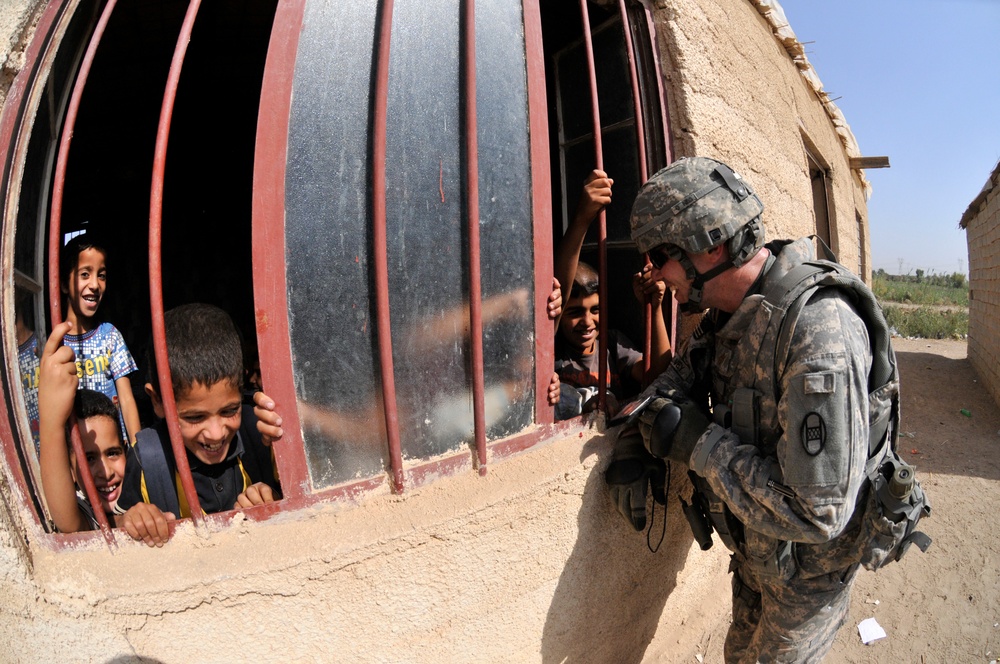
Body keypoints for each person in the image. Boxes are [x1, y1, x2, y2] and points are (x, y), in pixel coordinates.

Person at [608, 156, 878, 662]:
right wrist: (633, 441)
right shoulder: (728, 316)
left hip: (808, 577)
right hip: (758, 555)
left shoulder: (819, 331)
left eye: (661, 256)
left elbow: (819, 512)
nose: (657, 275)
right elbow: (673, 383)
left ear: (709, 245)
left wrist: (697, 443)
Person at [113, 303, 282, 547]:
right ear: (157, 401)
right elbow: (117, 523)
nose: (215, 433)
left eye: (229, 410)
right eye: (194, 417)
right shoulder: (148, 458)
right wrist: (134, 520)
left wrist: (275, 502)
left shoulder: (259, 433)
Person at [552, 169, 670, 418]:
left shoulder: (611, 344)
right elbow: (559, 288)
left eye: (595, 310)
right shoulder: (554, 353)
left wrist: (655, 308)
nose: (587, 322)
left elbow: (657, 377)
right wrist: (582, 218)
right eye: (574, 312)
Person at [37, 321, 126, 532]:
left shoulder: (141, 490)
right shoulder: (84, 513)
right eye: (89, 458)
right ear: (71, 471)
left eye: (113, 453)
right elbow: (68, 522)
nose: (105, 472)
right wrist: (51, 422)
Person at [60, 235, 141, 445]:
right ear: (64, 284)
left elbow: (126, 399)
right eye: (84, 274)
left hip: (114, 450)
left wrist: (138, 453)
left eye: (102, 275)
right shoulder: (54, 342)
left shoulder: (109, 335)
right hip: (76, 452)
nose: (95, 284)